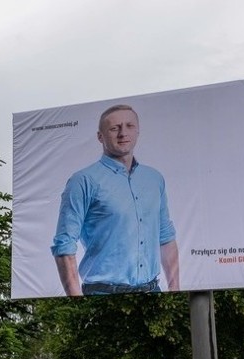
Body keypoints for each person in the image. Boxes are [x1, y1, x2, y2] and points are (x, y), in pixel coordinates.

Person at [51, 104, 179, 296]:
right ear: (100, 136)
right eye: (114, 128)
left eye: (129, 126)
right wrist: (76, 303)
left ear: (137, 131)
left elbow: (165, 236)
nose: (122, 133)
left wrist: (175, 293)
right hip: (102, 295)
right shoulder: (83, 181)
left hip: (153, 293)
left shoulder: (154, 179)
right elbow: (64, 245)